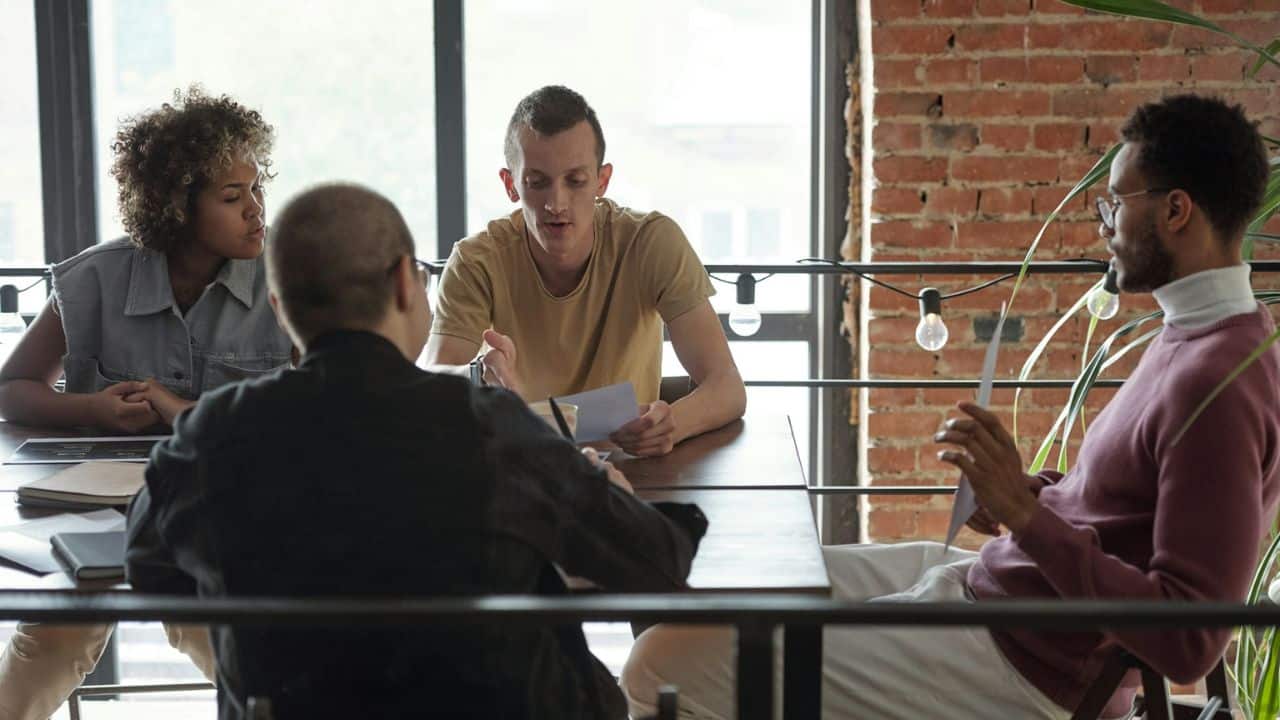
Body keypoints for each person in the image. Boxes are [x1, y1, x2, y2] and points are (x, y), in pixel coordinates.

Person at [621, 94, 1280, 719]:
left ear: (1176, 212)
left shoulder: (1220, 385)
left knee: (659, 665)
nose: (1105, 224)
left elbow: (1188, 640)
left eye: (1115, 204)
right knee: (720, 590)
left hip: (1023, 660)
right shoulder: (1193, 334)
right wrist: (1023, 493)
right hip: (998, 591)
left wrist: (1025, 516)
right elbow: (1118, 511)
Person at [125, 183, 709, 720]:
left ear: (279, 307)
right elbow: (658, 562)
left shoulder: (210, 437)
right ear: (407, 282)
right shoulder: (491, 431)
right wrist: (600, 495)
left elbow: (149, 570)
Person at [0, 88, 290, 720]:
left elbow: (309, 417)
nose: (257, 212)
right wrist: (92, 411)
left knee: (224, 636)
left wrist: (179, 407)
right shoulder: (97, 278)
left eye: (257, 189)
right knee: (56, 630)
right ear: (176, 207)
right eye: (233, 198)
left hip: (228, 518)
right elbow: (9, 392)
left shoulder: (285, 282)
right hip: (100, 519)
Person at [425, 85, 746, 457]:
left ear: (602, 180)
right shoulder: (474, 262)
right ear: (511, 185)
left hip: (632, 475)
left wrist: (671, 425)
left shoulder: (651, 242)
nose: (556, 203)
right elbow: (433, 387)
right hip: (520, 471)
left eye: (575, 181)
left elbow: (727, 386)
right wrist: (476, 375)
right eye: (537, 182)